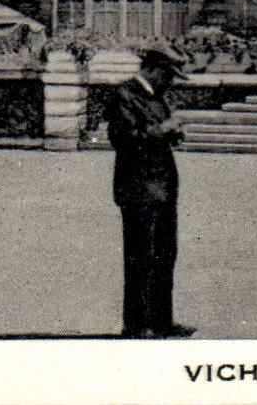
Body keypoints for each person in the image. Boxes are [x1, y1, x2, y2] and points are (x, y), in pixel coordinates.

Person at [106, 43, 195, 339]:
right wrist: (165, 129)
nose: (171, 82)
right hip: (138, 191)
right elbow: (123, 138)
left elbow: (154, 132)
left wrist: (172, 133)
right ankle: (137, 324)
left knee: (165, 256)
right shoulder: (125, 95)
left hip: (163, 190)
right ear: (154, 69)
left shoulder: (156, 97)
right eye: (169, 75)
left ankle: (161, 321)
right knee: (140, 259)